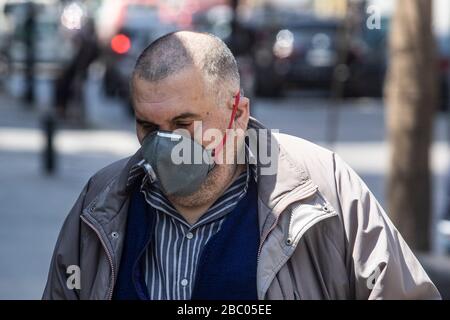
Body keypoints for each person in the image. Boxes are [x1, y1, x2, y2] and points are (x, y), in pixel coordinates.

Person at [43, 31, 440, 300]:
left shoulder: (322, 190)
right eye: (149, 127)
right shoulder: (102, 202)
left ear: (237, 114)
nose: (165, 147)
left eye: (184, 124)